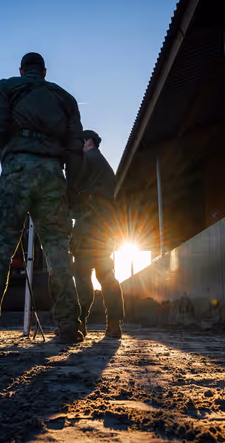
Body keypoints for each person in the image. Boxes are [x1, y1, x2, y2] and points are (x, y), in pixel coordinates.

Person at [0, 52, 85, 344]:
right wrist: (72, 189)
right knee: (58, 254)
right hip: (54, 174)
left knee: (1, 250)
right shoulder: (65, 98)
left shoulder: (8, 87)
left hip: (17, 171)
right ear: (44, 71)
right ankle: (69, 327)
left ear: (22, 69)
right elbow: (75, 149)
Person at [70, 130, 124, 339]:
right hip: (104, 232)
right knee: (107, 276)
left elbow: (75, 189)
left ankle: (80, 323)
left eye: (80, 143)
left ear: (89, 142)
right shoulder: (104, 166)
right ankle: (114, 323)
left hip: (87, 231)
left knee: (83, 278)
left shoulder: (89, 160)